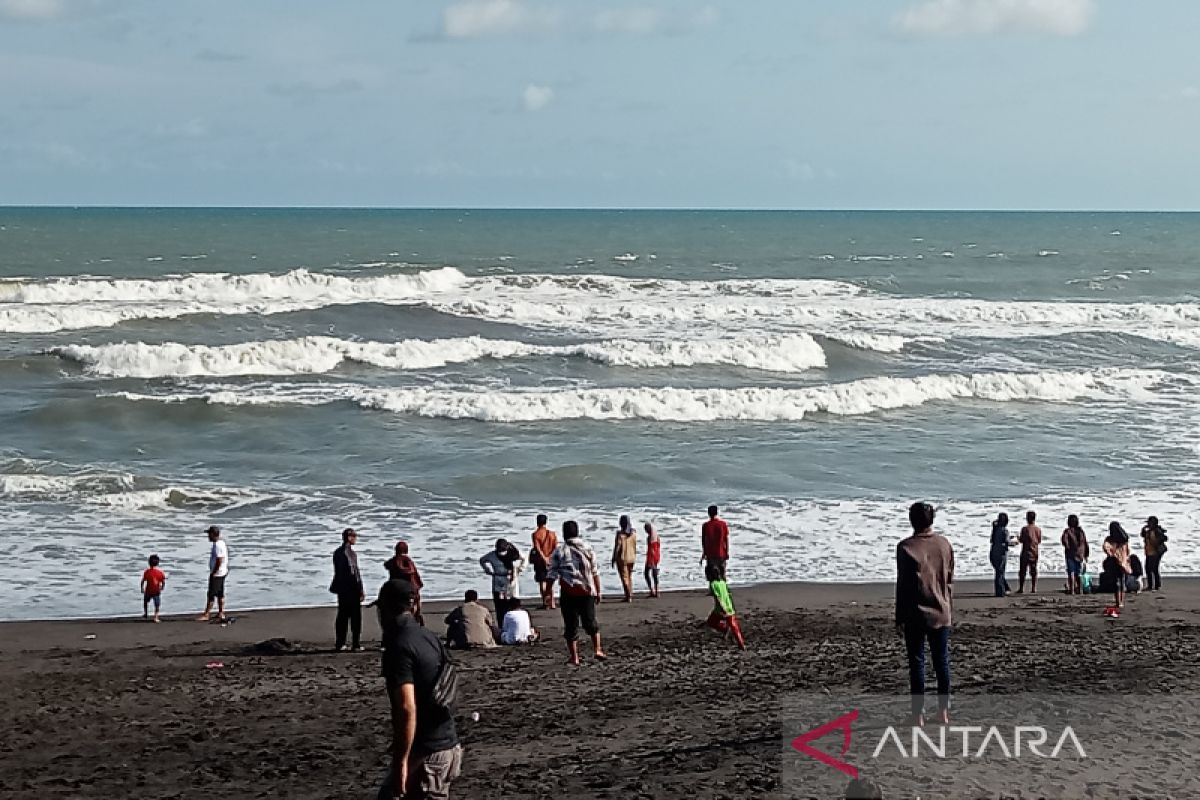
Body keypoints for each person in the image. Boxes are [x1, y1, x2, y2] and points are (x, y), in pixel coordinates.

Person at [375, 579, 462, 800]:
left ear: (385, 608)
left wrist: (401, 761)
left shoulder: (399, 646)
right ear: (414, 605)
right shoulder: (428, 637)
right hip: (448, 745)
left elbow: (406, 707)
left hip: (427, 753)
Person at [895, 501, 954, 726]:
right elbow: (949, 580)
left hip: (916, 613)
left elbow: (904, 586)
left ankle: (918, 715)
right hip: (941, 609)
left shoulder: (906, 547)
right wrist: (948, 606)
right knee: (942, 662)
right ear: (932, 520)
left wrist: (899, 616)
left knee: (917, 663)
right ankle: (943, 712)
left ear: (912, 520)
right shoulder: (944, 544)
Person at [547, 519, 607, 666]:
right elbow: (594, 572)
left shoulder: (559, 551)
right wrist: (598, 591)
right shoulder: (588, 547)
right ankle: (597, 649)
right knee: (590, 622)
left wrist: (548, 594)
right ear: (577, 532)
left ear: (564, 533)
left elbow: (552, 574)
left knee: (571, 626)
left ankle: (575, 657)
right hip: (587, 592)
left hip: (569, 593)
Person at [331, 527, 365, 651]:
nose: (356, 538)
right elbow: (354, 573)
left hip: (341, 589)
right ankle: (355, 644)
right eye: (354, 536)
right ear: (349, 537)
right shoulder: (349, 554)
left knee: (342, 616)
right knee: (356, 617)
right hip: (351, 589)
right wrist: (360, 589)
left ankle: (340, 643)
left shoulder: (337, 552)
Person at [705, 563, 746, 650]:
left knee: (711, 622)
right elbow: (727, 594)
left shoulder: (713, 584)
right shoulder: (723, 582)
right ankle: (741, 644)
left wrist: (722, 608)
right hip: (729, 607)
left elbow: (718, 597)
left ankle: (724, 629)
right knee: (734, 626)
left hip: (720, 609)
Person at [480, 539, 522, 620]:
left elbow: (523, 558)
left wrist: (520, 569)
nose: (501, 553)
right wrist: (487, 569)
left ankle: (511, 620)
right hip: (498, 578)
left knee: (511, 601)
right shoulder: (492, 555)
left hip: (510, 578)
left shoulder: (513, 553)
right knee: (499, 603)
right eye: (499, 550)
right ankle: (501, 622)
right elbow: (482, 560)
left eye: (503, 550)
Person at [385, 541, 425, 625]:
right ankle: (417, 617)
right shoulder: (408, 561)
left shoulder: (393, 561)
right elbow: (414, 576)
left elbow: (386, 565)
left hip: (394, 588)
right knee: (416, 604)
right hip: (408, 589)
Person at [198, 525, 229, 622]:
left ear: (213, 534)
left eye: (209, 534)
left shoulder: (217, 545)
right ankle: (221, 612)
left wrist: (214, 572)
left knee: (211, 594)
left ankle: (207, 614)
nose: (208, 536)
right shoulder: (221, 543)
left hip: (218, 573)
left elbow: (219, 559)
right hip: (223, 571)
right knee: (220, 593)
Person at [1101, 521, 1132, 617]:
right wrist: (1126, 559)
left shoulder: (1110, 539)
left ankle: (1118, 602)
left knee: (1117, 583)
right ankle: (1121, 602)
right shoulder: (1124, 539)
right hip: (1123, 563)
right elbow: (1128, 551)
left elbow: (1105, 548)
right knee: (1122, 581)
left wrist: (1111, 553)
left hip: (1115, 562)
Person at [530, 515, 558, 610]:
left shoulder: (535, 534)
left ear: (537, 522)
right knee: (550, 582)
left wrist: (544, 558)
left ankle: (545, 603)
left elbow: (538, 549)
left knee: (542, 582)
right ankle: (552, 603)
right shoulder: (552, 534)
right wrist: (550, 558)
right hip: (551, 560)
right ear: (546, 522)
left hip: (540, 561)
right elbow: (555, 548)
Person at [611, 515, 637, 603]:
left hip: (622, 558)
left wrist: (614, 558)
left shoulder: (620, 534)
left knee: (624, 577)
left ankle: (628, 596)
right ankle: (630, 593)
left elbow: (617, 547)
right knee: (629, 576)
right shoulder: (633, 533)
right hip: (632, 557)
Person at [1061, 515, 1090, 596]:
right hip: (1080, 554)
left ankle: (1072, 590)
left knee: (1071, 572)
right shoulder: (1081, 531)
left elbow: (1064, 540)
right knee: (1079, 573)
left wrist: (1067, 546)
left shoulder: (1067, 531)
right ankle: (1080, 590)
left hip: (1070, 554)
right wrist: (1086, 554)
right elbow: (1085, 543)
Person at [701, 505, 730, 580]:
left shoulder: (705, 525)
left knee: (711, 574)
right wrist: (726, 552)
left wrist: (704, 553)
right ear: (717, 512)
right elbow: (726, 540)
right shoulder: (723, 524)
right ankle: (725, 589)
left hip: (710, 554)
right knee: (722, 572)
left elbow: (704, 541)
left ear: (708, 513)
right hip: (721, 553)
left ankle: (713, 590)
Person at [1017, 511, 1042, 594]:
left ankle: (1021, 588)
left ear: (1027, 518)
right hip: (1034, 551)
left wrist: (1018, 538)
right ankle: (1034, 588)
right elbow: (1039, 541)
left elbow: (1022, 540)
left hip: (1025, 552)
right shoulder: (1038, 529)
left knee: (1022, 571)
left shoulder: (1025, 529)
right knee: (1033, 571)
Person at [1141, 516, 1168, 591]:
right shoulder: (1149, 531)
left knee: (1154, 568)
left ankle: (1156, 586)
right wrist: (1143, 529)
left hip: (1156, 552)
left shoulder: (1156, 531)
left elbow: (1165, 538)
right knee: (1148, 568)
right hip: (1149, 552)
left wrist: (1158, 542)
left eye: (1150, 522)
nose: (1148, 524)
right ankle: (1151, 585)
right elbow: (1143, 535)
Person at [988, 513, 1012, 598]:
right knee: (1000, 573)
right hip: (1001, 554)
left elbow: (994, 540)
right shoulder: (1005, 531)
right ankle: (1000, 592)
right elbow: (1007, 542)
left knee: (998, 573)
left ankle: (1002, 589)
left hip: (993, 552)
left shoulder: (995, 530)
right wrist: (1015, 542)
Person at [141, 554, 166, 622]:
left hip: (148, 590)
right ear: (158, 563)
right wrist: (162, 587)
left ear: (149, 563)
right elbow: (163, 581)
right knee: (157, 604)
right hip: (156, 591)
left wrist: (142, 588)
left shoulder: (147, 572)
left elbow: (143, 581)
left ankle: (146, 613)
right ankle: (156, 617)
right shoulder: (160, 573)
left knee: (145, 602)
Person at [644, 522, 661, 598]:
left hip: (651, 557)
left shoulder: (649, 538)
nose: (645, 531)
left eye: (646, 529)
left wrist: (650, 560)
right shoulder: (657, 537)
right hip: (656, 555)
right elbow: (659, 546)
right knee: (654, 574)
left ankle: (652, 590)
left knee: (647, 573)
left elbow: (650, 549)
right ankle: (656, 591)